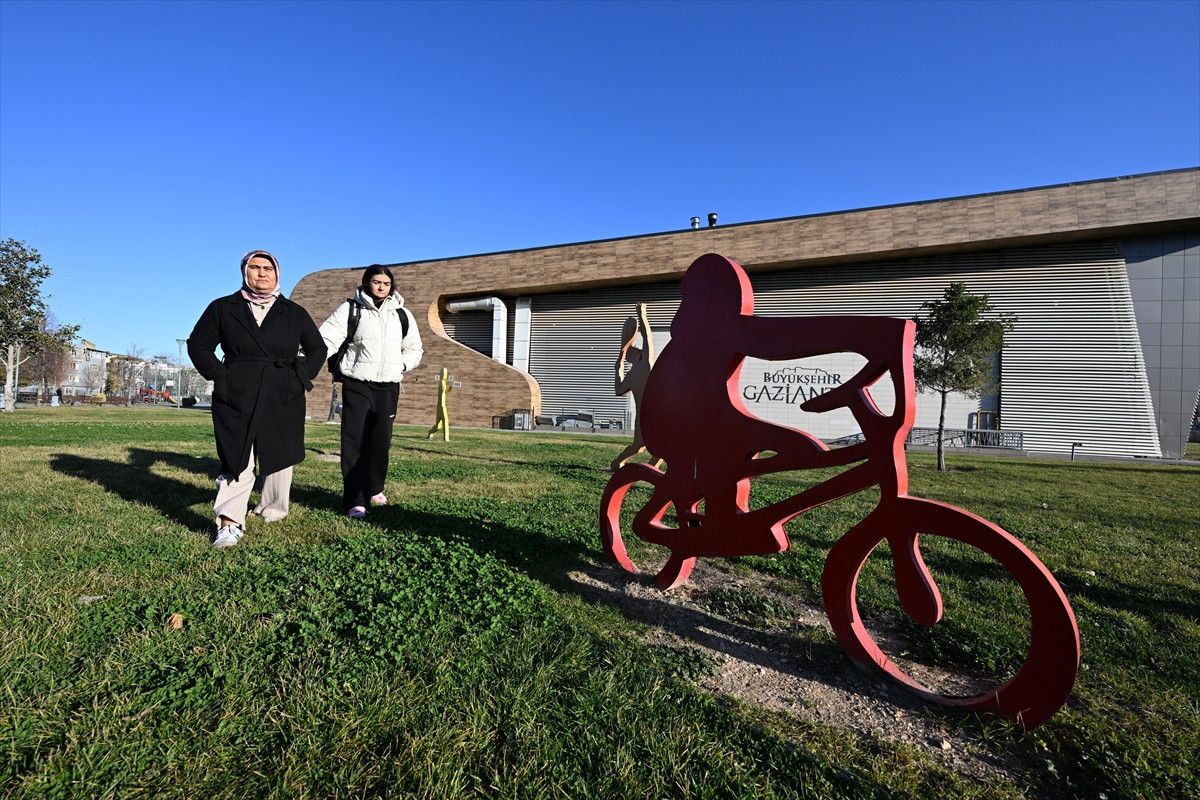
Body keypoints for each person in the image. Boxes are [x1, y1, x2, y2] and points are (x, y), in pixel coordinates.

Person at [187, 250, 327, 548]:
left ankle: (272, 508)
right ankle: (229, 522)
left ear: (277, 274)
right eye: (255, 267)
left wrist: (300, 375)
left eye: (268, 268)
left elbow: (317, 349)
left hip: (283, 389)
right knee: (237, 454)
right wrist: (221, 376)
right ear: (244, 271)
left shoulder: (294, 311)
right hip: (237, 389)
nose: (262, 273)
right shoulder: (224, 307)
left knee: (280, 451)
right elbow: (198, 345)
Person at [320, 264, 423, 518]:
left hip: (388, 387)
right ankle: (355, 500)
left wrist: (401, 365)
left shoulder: (402, 315)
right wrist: (307, 360)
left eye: (386, 284)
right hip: (357, 384)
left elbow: (414, 349)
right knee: (354, 441)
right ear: (367, 282)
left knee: (380, 443)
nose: (381, 287)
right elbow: (325, 339)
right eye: (377, 282)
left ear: (391, 286)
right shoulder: (350, 310)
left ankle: (375, 488)